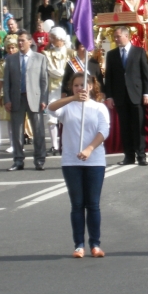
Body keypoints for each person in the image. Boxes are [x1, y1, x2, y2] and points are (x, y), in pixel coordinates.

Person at [48, 73, 110, 258]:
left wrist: (90, 149)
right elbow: (50, 110)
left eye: (83, 85)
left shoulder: (99, 107)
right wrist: (72, 98)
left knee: (93, 204)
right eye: (76, 85)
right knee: (77, 204)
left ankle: (95, 244)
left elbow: (103, 131)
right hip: (71, 161)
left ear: (91, 86)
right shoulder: (67, 107)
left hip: (95, 161)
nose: (80, 88)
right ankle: (79, 245)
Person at [104, 26, 148, 166]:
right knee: (125, 127)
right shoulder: (112, 54)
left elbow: (146, 74)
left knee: (138, 127)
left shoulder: (139, 52)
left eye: (118, 36)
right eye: (115, 36)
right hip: (120, 96)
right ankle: (129, 156)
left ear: (127, 36)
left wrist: (146, 92)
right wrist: (109, 96)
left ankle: (141, 155)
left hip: (136, 95)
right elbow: (109, 77)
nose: (116, 38)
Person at [2, 31, 49, 171]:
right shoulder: (10, 59)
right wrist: (7, 99)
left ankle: (39, 160)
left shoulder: (40, 58)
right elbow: (6, 82)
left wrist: (43, 99)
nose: (20, 43)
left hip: (34, 98)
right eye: (19, 40)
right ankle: (18, 160)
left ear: (30, 42)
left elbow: (44, 81)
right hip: (17, 98)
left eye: (23, 40)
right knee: (17, 131)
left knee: (38, 130)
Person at [43, 27, 69, 155]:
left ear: (60, 39)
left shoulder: (71, 53)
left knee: (67, 116)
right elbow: (51, 70)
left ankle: (66, 144)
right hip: (53, 88)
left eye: (53, 38)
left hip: (68, 89)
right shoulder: (47, 53)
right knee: (51, 116)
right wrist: (64, 74)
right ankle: (54, 145)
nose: (51, 41)